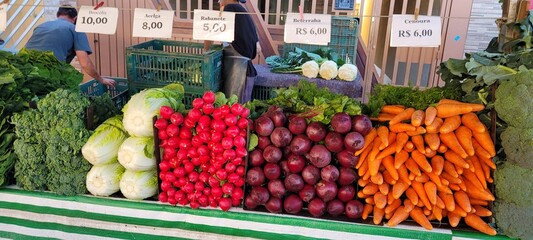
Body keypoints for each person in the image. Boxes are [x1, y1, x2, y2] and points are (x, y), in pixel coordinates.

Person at [25, 5, 116, 87]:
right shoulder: (76, 29)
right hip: (48, 76)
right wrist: (101, 79)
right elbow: (85, 63)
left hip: (25, 70)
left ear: (58, 15)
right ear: (75, 18)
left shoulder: (41, 26)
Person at [205, 0, 259, 103]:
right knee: (239, 112)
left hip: (238, 72)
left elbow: (210, 32)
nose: (218, 1)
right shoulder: (243, 12)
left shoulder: (230, 9)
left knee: (234, 110)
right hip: (245, 68)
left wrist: (206, 50)